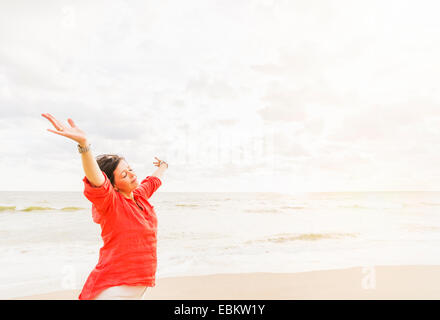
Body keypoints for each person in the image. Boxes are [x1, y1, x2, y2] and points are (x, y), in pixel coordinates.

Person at [41, 113, 168, 300]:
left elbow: (153, 180)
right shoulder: (111, 203)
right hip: (113, 289)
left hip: (136, 287)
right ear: (114, 185)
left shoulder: (139, 197)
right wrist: (84, 146)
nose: (132, 175)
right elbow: (98, 181)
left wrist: (164, 165)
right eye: (124, 175)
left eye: (130, 169)